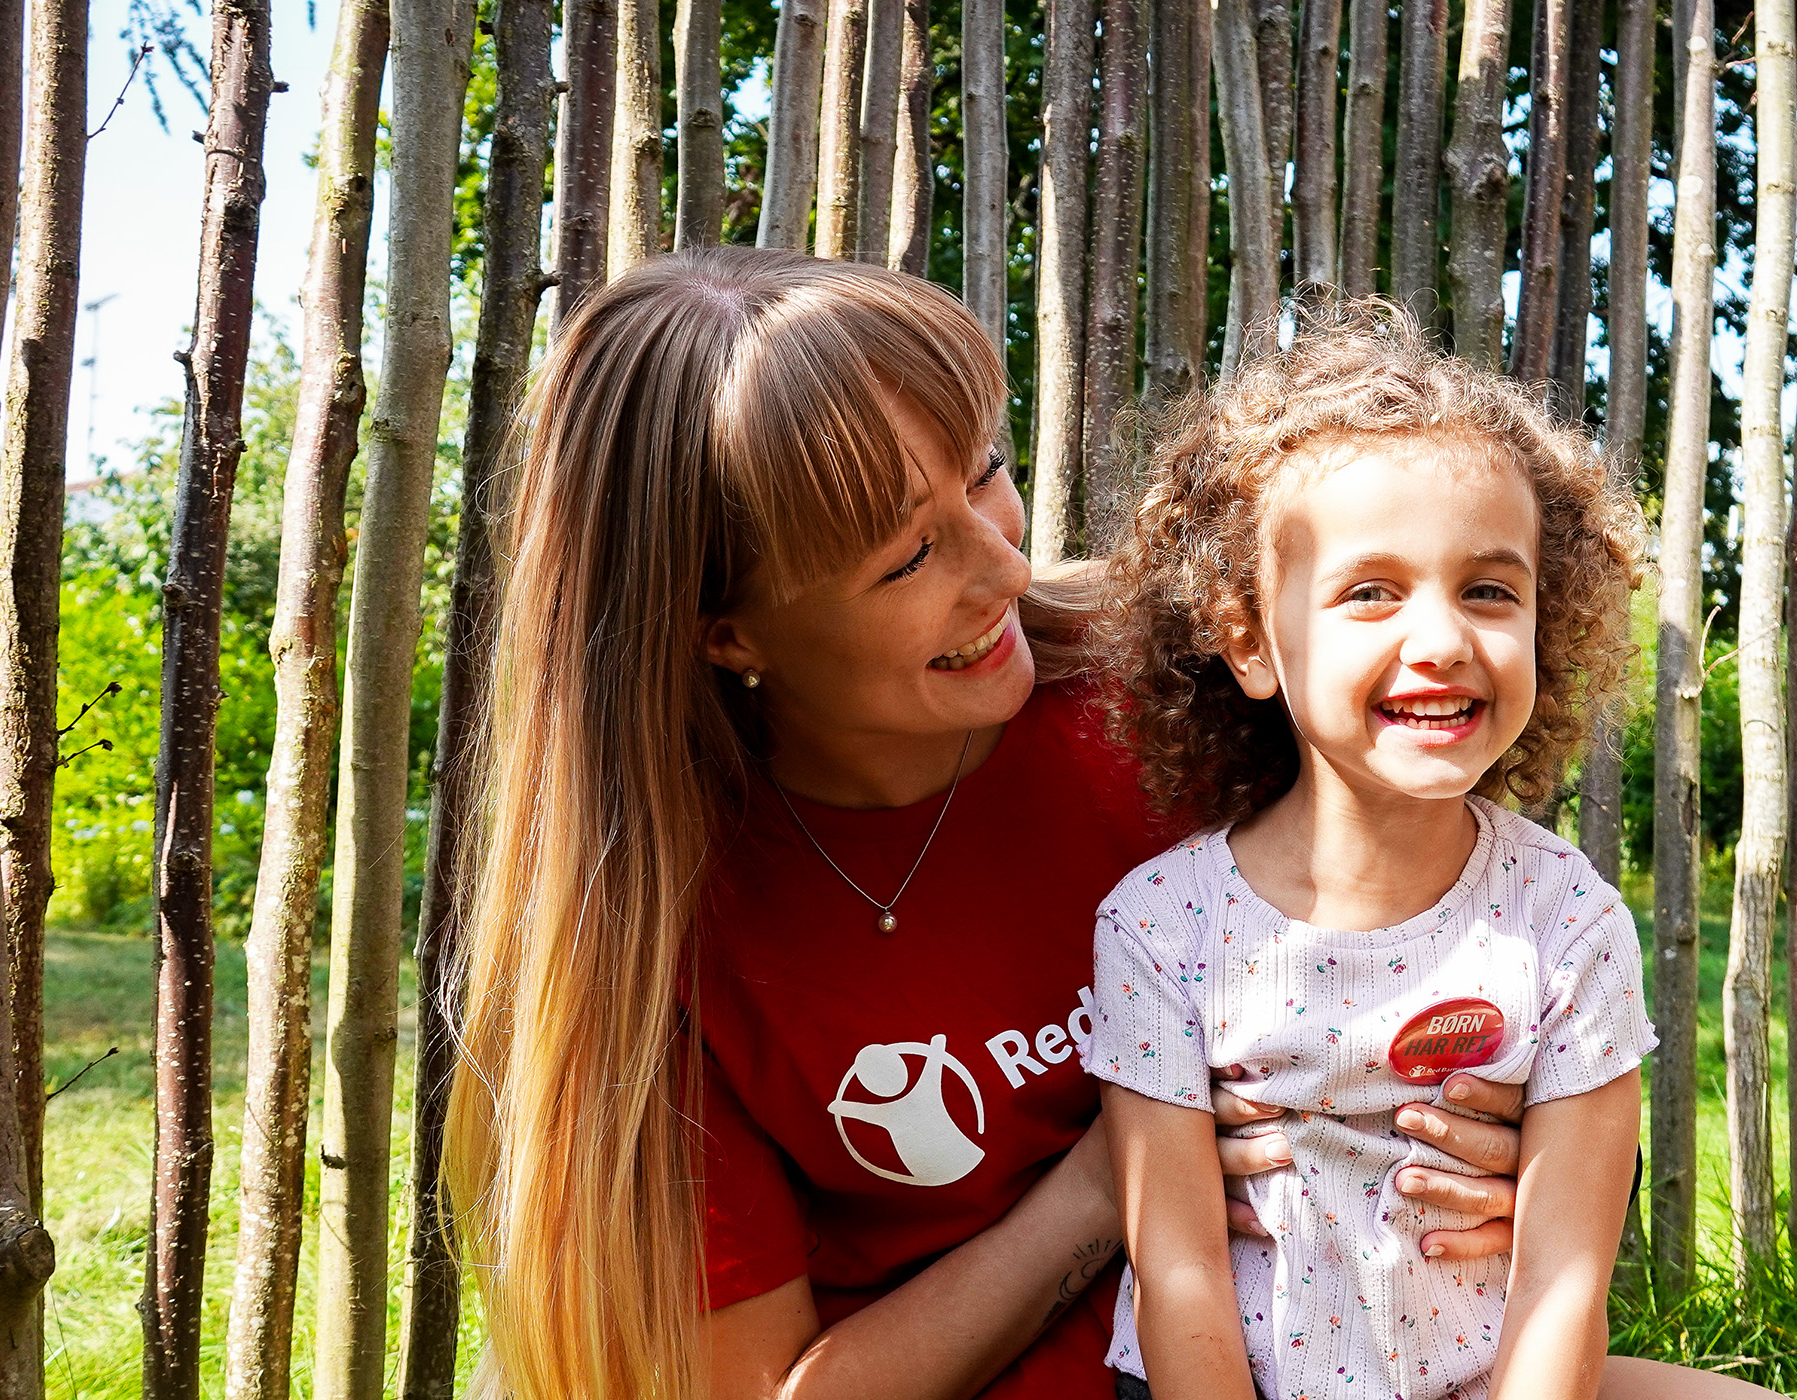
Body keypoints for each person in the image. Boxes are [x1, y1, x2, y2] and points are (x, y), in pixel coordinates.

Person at [441, 248, 1529, 1400]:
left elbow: (1460, 967)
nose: (1007, 566)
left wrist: (1493, 1133)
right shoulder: (655, 944)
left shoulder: (1179, 705)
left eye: (987, 473)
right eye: (909, 554)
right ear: (726, 629)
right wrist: (1117, 1176)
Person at [1084, 303, 1772, 1400]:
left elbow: (1561, 1289)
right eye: (1371, 591)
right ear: (1251, 639)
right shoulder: (1161, 925)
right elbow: (1176, 1277)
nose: (1444, 639)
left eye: (1489, 590)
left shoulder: (1566, 920)